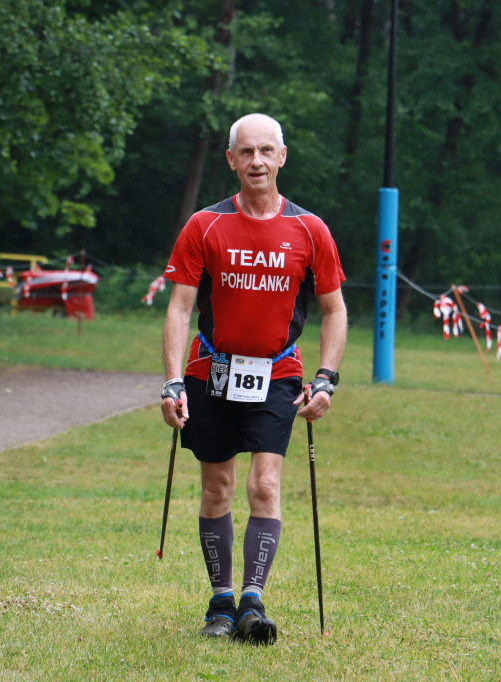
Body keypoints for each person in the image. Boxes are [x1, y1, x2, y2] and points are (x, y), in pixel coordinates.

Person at [159, 113, 347, 645]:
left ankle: (253, 601)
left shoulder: (310, 229)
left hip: (279, 372)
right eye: (247, 152)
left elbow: (334, 310)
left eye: (267, 151)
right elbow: (179, 308)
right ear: (231, 160)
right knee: (216, 484)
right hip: (211, 370)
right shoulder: (204, 225)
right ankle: (220, 603)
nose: (257, 162)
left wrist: (327, 379)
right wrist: (172, 383)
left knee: (265, 484)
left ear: (282, 157)